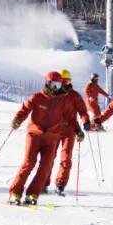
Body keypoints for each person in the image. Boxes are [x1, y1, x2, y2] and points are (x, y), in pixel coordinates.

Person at [9, 71, 67, 206]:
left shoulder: (62, 100)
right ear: (47, 83)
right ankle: (15, 193)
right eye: (53, 84)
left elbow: (70, 116)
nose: (55, 88)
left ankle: (32, 194)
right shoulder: (38, 97)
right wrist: (18, 119)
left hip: (51, 138)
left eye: (58, 85)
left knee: (45, 168)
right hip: (35, 135)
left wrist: (77, 130)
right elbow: (25, 109)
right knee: (29, 163)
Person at [45, 69, 89, 195]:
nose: (65, 83)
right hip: (54, 129)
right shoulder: (53, 94)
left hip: (69, 130)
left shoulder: (74, 95)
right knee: (49, 157)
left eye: (67, 81)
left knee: (66, 157)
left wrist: (85, 121)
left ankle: (60, 183)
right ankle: (43, 182)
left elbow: (82, 110)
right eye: (63, 81)